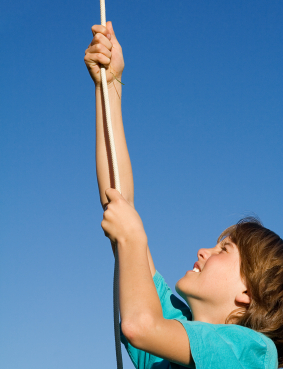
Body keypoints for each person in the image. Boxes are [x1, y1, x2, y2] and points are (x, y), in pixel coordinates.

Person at [84, 22, 283, 369]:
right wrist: (110, 87)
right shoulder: (171, 328)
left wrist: (133, 235)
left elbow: (140, 326)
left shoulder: (254, 353)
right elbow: (119, 201)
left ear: (248, 293)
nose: (203, 251)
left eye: (224, 250)